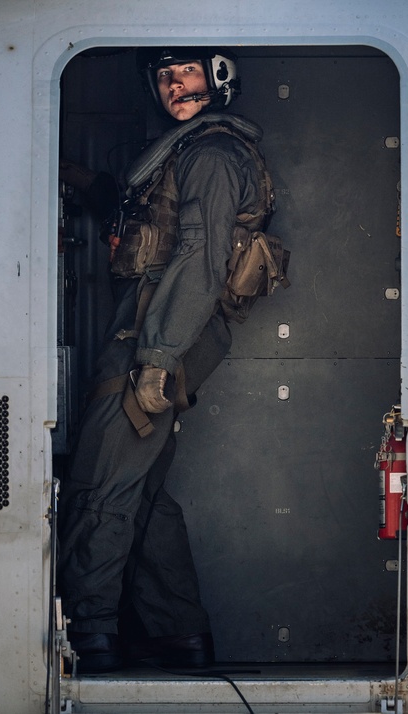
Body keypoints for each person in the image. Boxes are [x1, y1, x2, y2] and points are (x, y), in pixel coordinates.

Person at [56, 47, 274, 673]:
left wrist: (156, 355)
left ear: (219, 78)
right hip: (164, 326)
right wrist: (73, 176)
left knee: (100, 482)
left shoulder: (210, 153)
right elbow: (145, 221)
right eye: (165, 76)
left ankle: (87, 634)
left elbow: (198, 257)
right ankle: (178, 635)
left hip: (162, 331)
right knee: (142, 492)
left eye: (189, 73)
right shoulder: (183, 152)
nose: (176, 85)